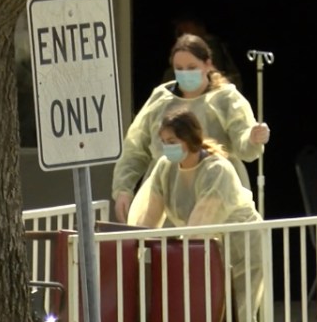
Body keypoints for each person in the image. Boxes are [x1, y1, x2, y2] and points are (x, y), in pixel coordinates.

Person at [135, 109, 264, 322]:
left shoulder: (217, 170)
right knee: (198, 314)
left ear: (190, 139)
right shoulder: (165, 168)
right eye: (164, 141)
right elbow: (150, 215)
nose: (166, 147)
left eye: (172, 141)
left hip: (240, 246)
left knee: (240, 313)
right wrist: (136, 245)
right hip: (202, 246)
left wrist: (179, 251)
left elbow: (201, 222)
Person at [112, 33, 270, 224]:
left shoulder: (226, 99)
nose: (185, 73)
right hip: (166, 198)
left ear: (208, 64)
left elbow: (245, 145)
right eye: (179, 69)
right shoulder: (161, 99)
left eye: (192, 68)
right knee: (158, 248)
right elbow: (135, 146)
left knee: (201, 246)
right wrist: (123, 188)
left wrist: (252, 138)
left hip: (217, 196)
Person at [161, 13, 244, 92]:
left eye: (186, 27)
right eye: (179, 29)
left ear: (201, 28)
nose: (182, 32)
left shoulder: (213, 47)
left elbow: (214, 75)